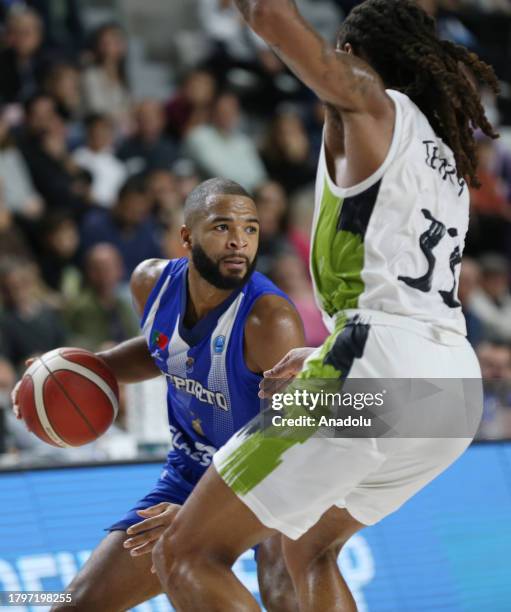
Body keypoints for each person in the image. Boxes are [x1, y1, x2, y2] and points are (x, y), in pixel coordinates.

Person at [150, 1, 497, 610]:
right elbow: (402, 293)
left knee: (184, 553)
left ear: (351, 57)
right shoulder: (445, 155)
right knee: (308, 547)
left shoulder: (365, 102)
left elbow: (265, 13)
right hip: (450, 390)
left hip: (376, 370)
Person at [12, 177, 305, 611]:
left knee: (278, 576)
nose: (239, 242)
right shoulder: (150, 283)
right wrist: (71, 373)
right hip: (188, 474)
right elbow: (164, 351)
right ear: (186, 237)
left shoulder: (269, 320)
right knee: (71, 604)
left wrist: (203, 514)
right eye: (222, 227)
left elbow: (290, 444)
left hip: (269, 477)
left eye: (250, 229)